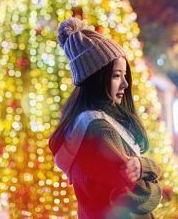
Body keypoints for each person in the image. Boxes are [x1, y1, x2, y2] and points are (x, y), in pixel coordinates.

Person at [49, 17, 162, 219]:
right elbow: (139, 197)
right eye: (116, 76)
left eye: (124, 75)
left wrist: (143, 166)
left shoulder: (85, 125)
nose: (125, 84)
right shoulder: (100, 130)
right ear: (96, 78)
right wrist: (152, 170)